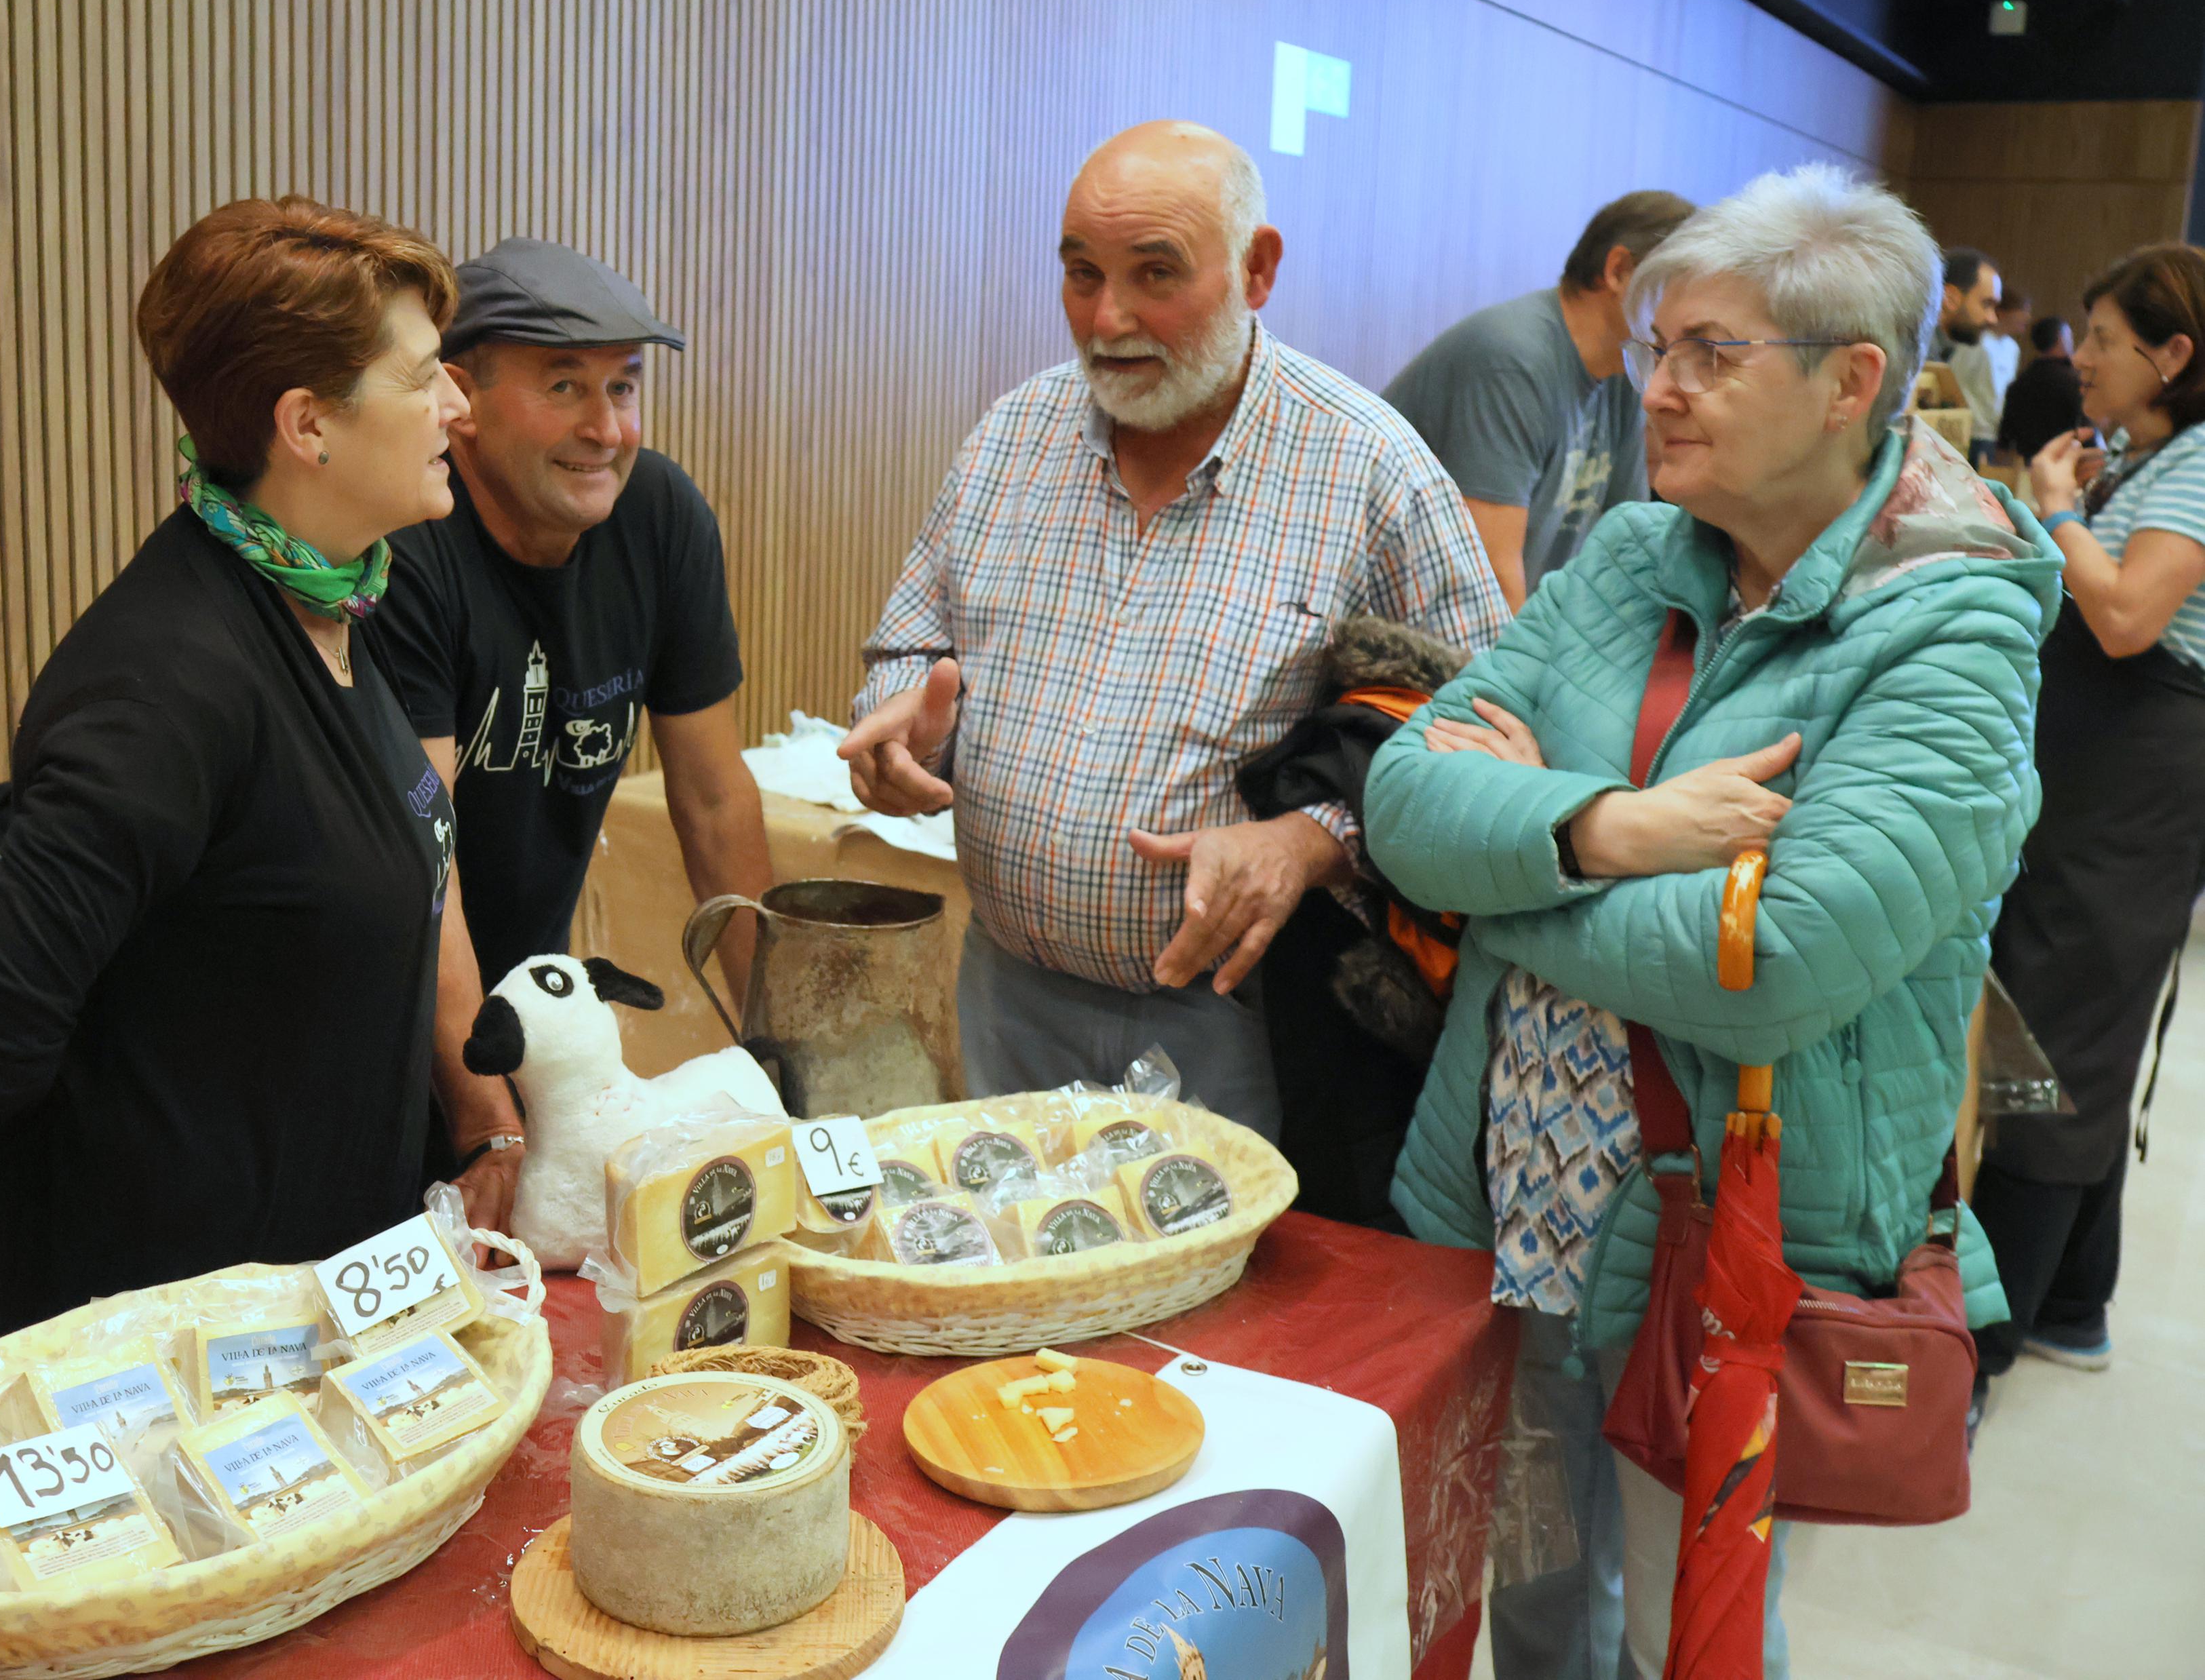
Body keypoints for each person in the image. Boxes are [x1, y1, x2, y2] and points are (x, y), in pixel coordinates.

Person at [1363, 165, 2056, 1679]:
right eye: (1651, 348)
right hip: (1504, 1195)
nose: (1652, 391)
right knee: (1537, 1580)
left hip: (1719, 1235)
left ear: (1847, 385)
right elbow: (1405, 799)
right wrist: (1610, 830)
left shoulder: (1951, 626)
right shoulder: (1631, 555)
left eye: (1704, 356)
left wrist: (1514, 879)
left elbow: (1773, 967)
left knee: (1697, 1622)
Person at [839, 121, 1505, 1142]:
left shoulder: (1368, 469)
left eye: (1155, 273)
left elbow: (1485, 740)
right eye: (1079, 274)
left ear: (1257, 267)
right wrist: (899, 727)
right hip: (1010, 993)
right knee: (1017, 1284)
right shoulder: (1012, 437)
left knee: (1215, 1301)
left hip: (1241, 1018)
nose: (1107, 319)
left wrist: (1305, 842)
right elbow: (908, 648)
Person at [0, 198, 470, 1349]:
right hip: (163, 1354)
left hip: (308, 1308)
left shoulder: (334, 608)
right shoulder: (168, 681)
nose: (459, 403)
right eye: (423, 378)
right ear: (307, 425)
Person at [375, 239, 773, 1224]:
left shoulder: (661, 516)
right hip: (386, 1022)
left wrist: (780, 1050)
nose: (607, 429)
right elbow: (425, 861)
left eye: (624, 387)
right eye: (565, 386)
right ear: (459, 400)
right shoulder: (406, 545)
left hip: (533, 1015)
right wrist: (489, 1119)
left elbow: (715, 797)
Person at [1977, 243, 2205, 1388]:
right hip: (2097, 776)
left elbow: (2121, 618)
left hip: (2139, 783)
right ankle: (2071, 1302)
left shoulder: (2201, 464)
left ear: (2173, 354)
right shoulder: (2150, 458)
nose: (2083, 366)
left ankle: (1986, 1348)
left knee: (2054, 1040)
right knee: (2082, 1029)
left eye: (2105, 345)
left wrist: (2055, 508)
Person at [1384, 190, 1696, 608]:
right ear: (1619, 271)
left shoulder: (1627, 370)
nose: (1690, 311)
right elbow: (1488, 581)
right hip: (1410, 639)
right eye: (1680, 287)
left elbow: (1627, 553)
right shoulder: (1511, 357)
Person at [1936, 246, 2005, 461]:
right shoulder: (1913, 352)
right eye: (1986, 304)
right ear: (1951, 298)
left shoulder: (1944, 350)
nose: (1993, 319)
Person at [1998, 313, 2083, 466]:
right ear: (2061, 339)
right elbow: (2087, 427)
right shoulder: (2075, 382)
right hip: (2065, 465)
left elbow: (2005, 437)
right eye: (2070, 337)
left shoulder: (2019, 383)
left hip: (2026, 469)